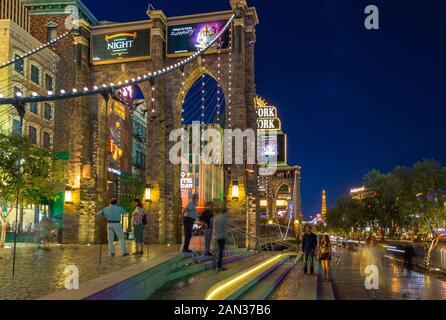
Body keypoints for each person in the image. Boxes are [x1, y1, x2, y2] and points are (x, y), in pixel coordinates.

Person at [213, 207, 228, 272]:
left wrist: (214, 235)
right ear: (225, 212)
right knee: (221, 252)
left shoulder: (216, 217)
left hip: (216, 236)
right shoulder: (224, 218)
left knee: (218, 251)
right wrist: (227, 237)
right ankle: (219, 266)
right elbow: (224, 229)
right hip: (221, 237)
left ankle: (217, 266)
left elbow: (214, 227)